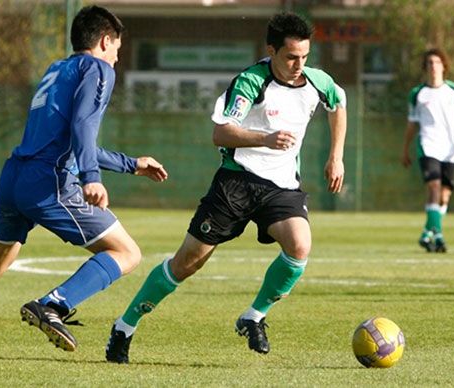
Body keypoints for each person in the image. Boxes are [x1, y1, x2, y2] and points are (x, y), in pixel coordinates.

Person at [0, 5, 168, 372]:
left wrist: (130, 164)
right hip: (49, 182)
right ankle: (53, 305)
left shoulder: (57, 69)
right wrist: (91, 177)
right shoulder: (97, 69)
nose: (117, 57)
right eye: (117, 48)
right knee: (127, 252)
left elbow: (68, 137)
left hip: (15, 176)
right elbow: (83, 126)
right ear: (104, 40)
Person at [105, 12, 346, 364]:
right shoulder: (250, 82)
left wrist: (335, 156)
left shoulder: (316, 81)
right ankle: (124, 326)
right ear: (271, 50)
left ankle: (254, 316)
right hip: (236, 182)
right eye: (291, 57)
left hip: (281, 187)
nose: (299, 65)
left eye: (304, 57)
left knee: (300, 245)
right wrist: (265, 138)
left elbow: (337, 103)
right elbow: (221, 132)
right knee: (186, 264)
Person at [402, 48, 454, 253]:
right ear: (425, 68)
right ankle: (439, 234)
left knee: (444, 196)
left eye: (437, 62)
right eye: (430, 63)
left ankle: (428, 231)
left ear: (444, 66)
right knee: (433, 187)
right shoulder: (417, 94)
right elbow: (411, 125)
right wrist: (405, 149)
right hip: (428, 146)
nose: (433, 66)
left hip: (451, 150)